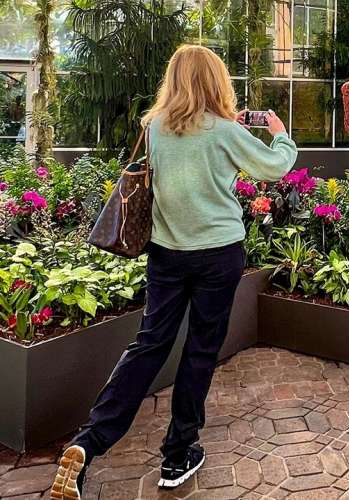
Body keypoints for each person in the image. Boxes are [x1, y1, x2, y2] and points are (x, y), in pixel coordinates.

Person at [50, 45, 297, 500]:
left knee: (148, 345)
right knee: (200, 351)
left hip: (166, 254)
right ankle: (178, 454)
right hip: (218, 255)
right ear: (215, 82)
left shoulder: (154, 128)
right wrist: (280, 134)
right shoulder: (224, 131)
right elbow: (276, 166)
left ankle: (88, 442)